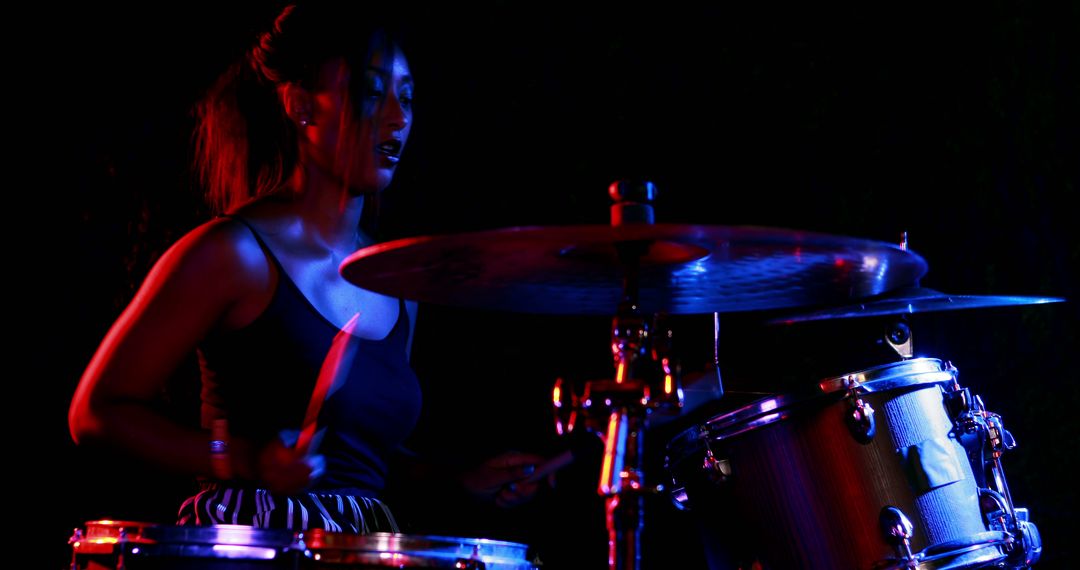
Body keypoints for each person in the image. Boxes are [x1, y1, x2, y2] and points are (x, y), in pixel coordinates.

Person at [68, 1, 549, 534]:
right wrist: (244, 457)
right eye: (371, 93)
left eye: (407, 98)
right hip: (254, 543)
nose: (398, 118)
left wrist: (455, 478)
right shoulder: (234, 253)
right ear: (302, 106)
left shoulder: (394, 276)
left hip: (361, 547)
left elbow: (359, 454)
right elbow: (96, 412)